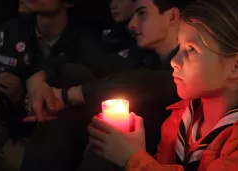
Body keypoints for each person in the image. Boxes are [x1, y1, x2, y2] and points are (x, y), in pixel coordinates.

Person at [87, 0, 238, 170]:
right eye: (179, 47)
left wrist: (133, 159)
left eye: (192, 50)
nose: (174, 62)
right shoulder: (182, 118)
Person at [22, 0, 190, 170]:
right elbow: (81, 62)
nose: (131, 25)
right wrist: (38, 79)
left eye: (142, 14)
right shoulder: (139, 56)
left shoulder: (189, 69)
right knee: (73, 75)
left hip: (155, 156)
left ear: (172, 16)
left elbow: (152, 81)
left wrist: (67, 96)